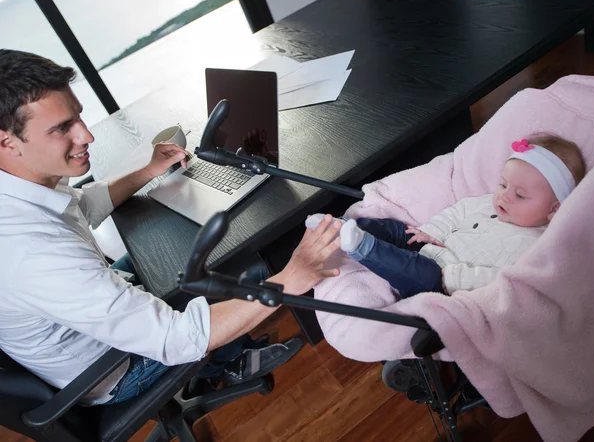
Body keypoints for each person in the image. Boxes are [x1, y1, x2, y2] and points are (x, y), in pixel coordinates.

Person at [0, 49, 342, 405]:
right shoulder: (32, 252)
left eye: (78, 117)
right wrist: (293, 278)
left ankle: (221, 357)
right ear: (6, 142)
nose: (87, 135)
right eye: (61, 129)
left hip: (95, 317)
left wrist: (149, 171)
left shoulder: (24, 183)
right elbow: (175, 339)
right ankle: (229, 364)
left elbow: (83, 206)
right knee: (244, 266)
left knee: (195, 240)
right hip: (113, 370)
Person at [306, 134, 586, 297]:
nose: (504, 196)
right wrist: (431, 232)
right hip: (431, 245)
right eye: (503, 184)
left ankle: (363, 248)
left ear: (555, 208)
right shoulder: (486, 204)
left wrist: (450, 276)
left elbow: (499, 282)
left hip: (439, 280)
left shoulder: (535, 247)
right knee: (398, 229)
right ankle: (338, 227)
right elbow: (456, 211)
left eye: (521, 195)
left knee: (419, 272)